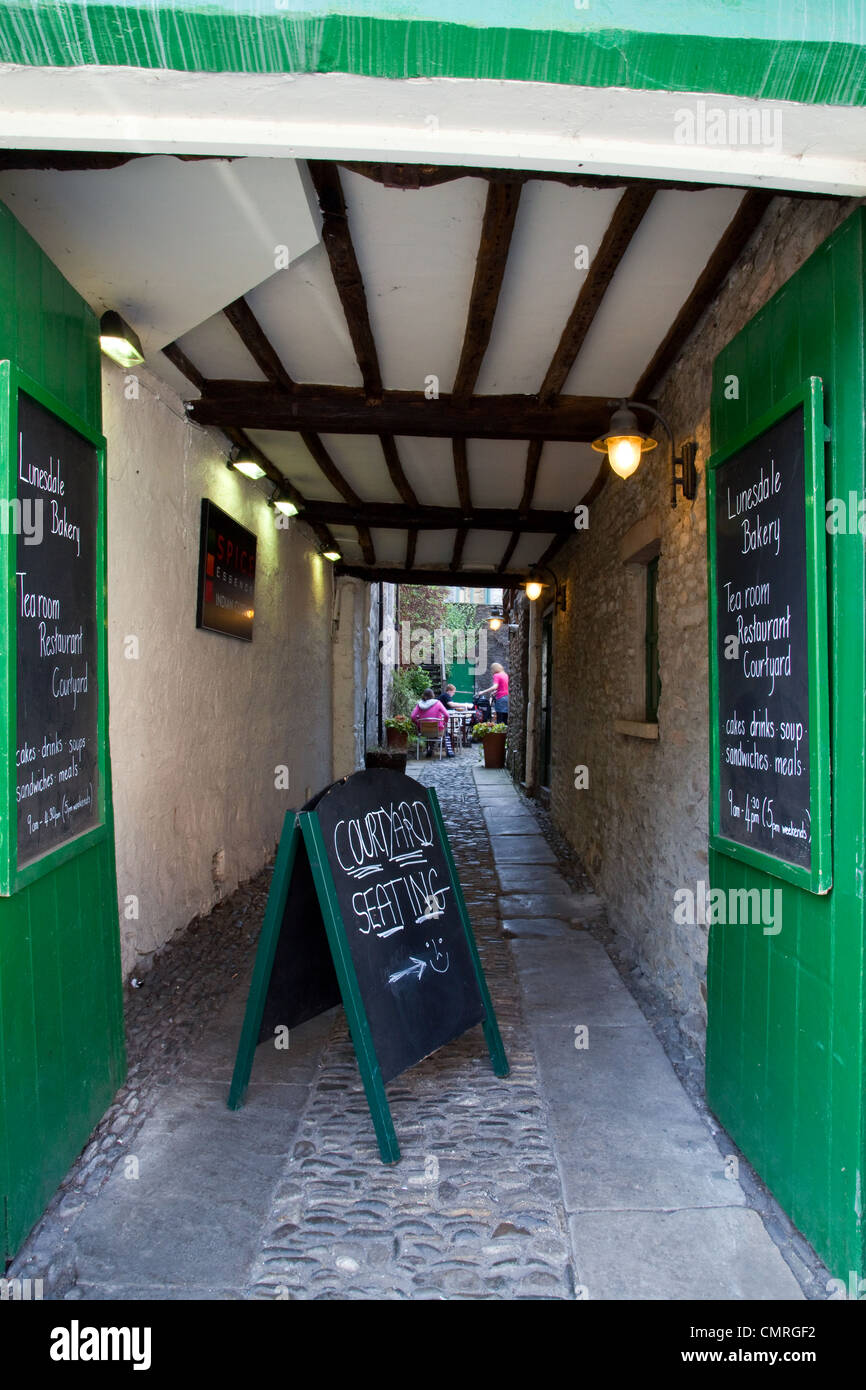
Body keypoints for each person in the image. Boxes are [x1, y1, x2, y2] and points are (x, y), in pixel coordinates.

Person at [411, 688, 454, 757]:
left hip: (423, 731)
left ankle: (431, 749)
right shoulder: (437, 703)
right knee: (444, 730)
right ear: (432, 695)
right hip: (437, 730)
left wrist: (418, 724)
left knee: (431, 731)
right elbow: (446, 715)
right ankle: (449, 751)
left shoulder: (419, 704)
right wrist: (444, 723)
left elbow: (413, 716)